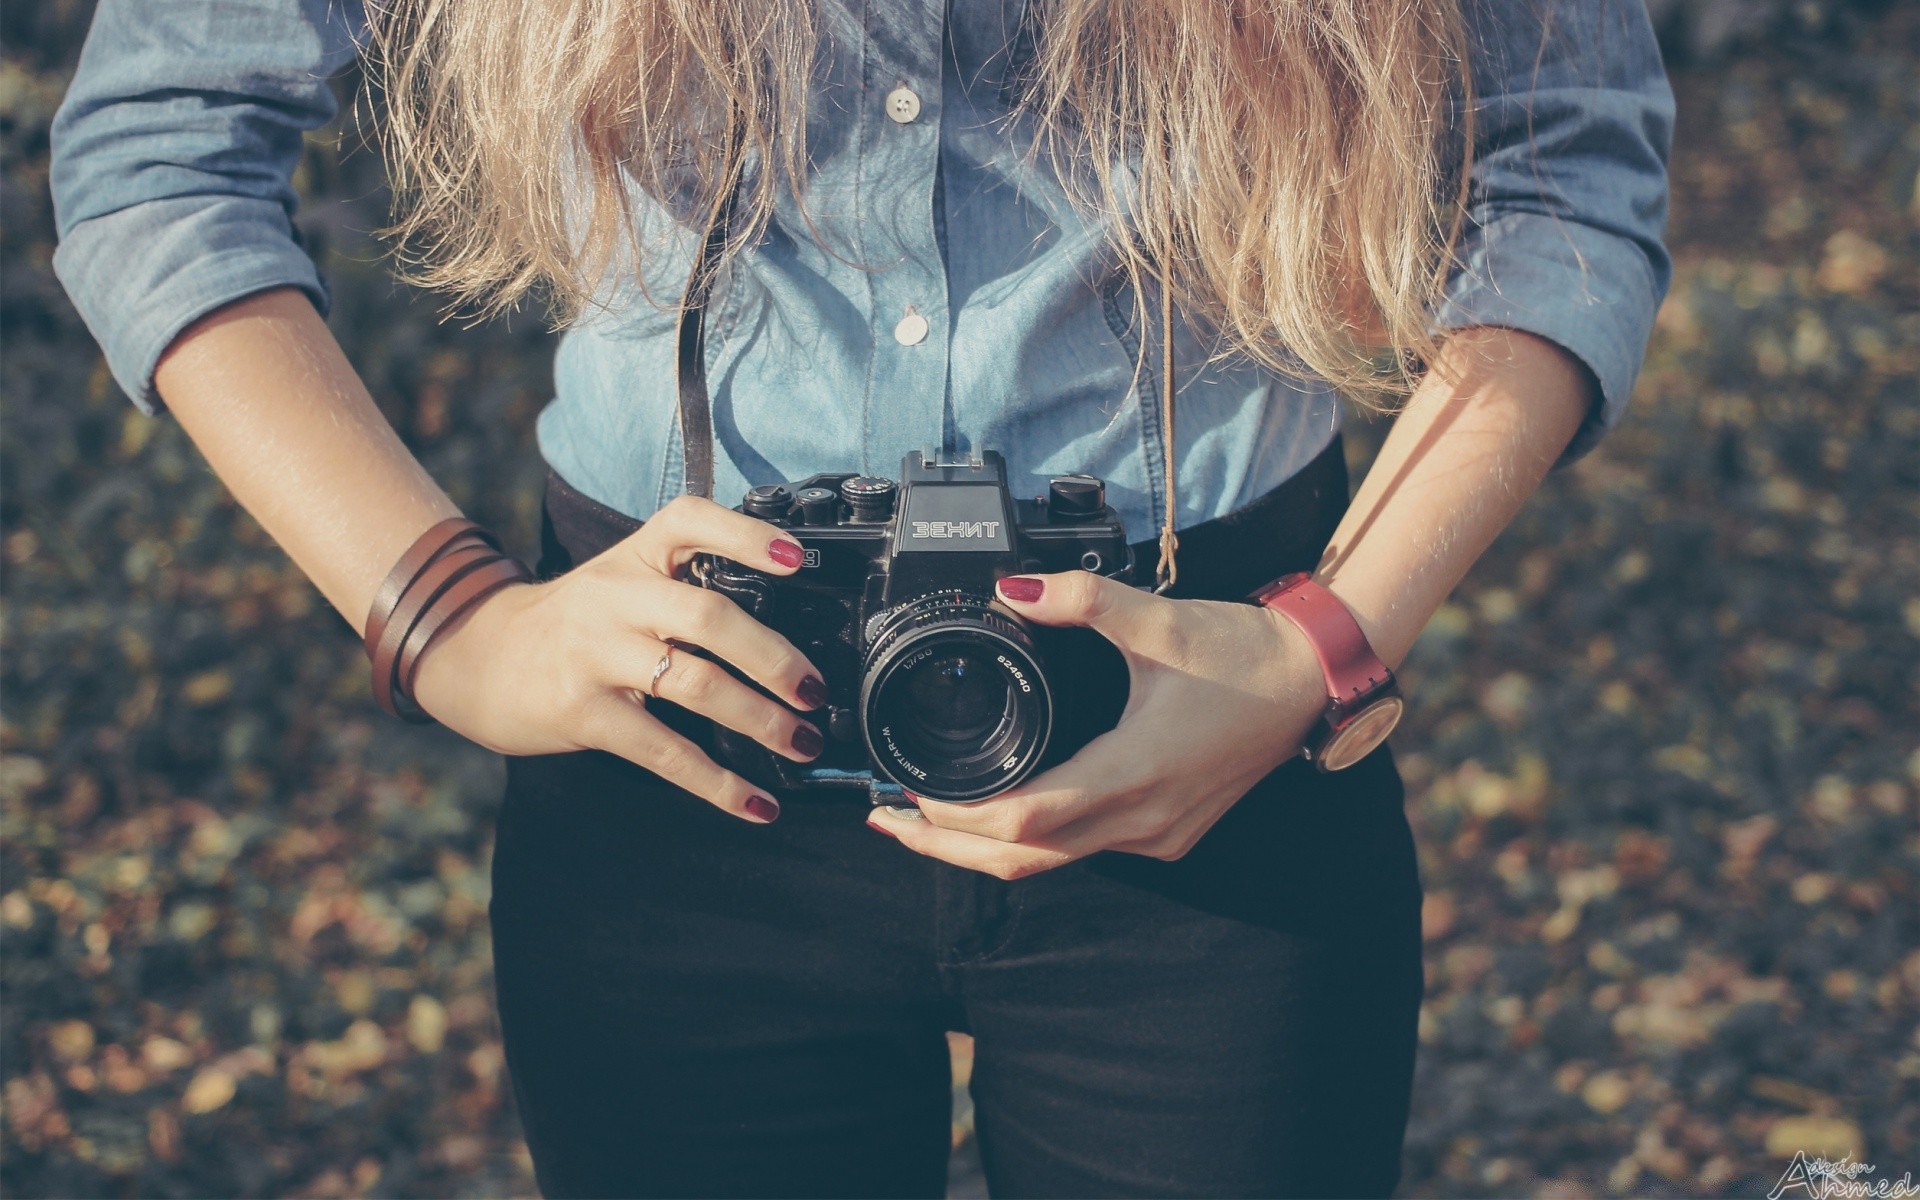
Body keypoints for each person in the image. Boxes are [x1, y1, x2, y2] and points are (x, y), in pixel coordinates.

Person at [50, 0, 1671, 1195]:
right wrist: (446, 619)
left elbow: (1564, 173)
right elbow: (158, 144)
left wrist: (1324, 638)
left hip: (1215, 725)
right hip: (680, 762)